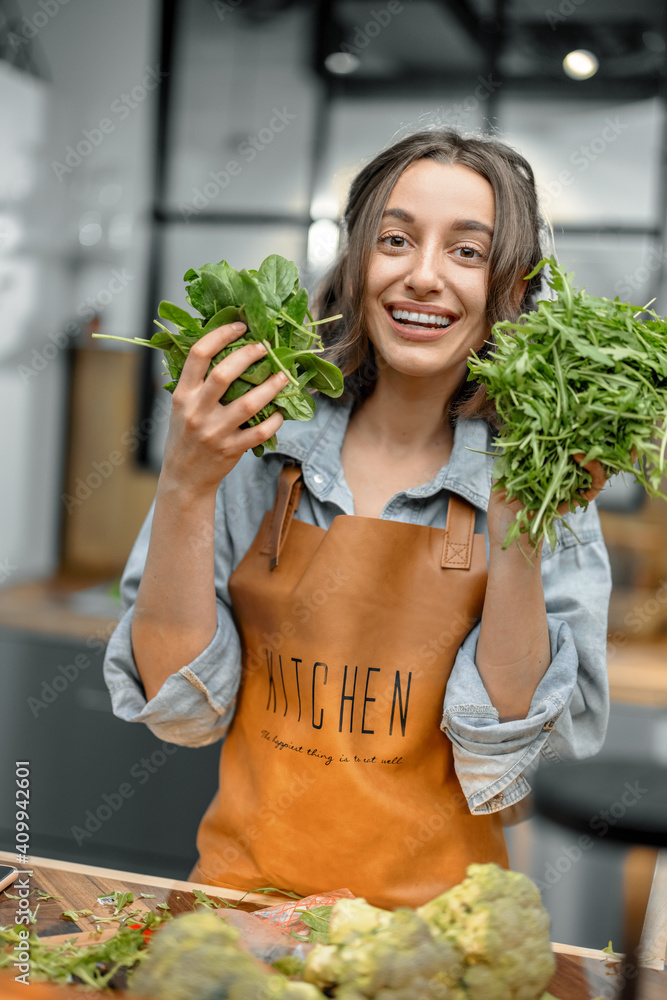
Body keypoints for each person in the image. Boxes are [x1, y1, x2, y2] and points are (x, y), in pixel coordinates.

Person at [103, 129, 612, 909]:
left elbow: (513, 745)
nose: (422, 276)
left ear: (510, 285)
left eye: (467, 252)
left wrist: (518, 527)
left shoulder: (546, 480)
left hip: (438, 943)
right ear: (353, 263)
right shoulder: (259, 445)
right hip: (244, 917)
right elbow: (179, 709)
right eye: (395, 240)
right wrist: (184, 485)